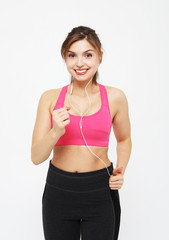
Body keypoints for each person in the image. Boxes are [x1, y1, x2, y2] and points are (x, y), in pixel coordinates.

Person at [31, 26, 132, 240]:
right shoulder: (49, 99)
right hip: (59, 190)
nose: (79, 63)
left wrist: (121, 170)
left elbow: (123, 139)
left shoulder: (115, 97)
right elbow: (36, 157)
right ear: (64, 58)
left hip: (100, 189)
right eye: (72, 55)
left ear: (100, 57)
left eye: (88, 55)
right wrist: (55, 131)